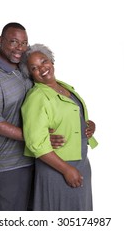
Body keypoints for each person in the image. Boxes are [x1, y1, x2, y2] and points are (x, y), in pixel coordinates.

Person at [0, 23, 64, 211]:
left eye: (24, 43)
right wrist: (36, 137)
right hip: (9, 166)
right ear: (1, 40)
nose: (20, 48)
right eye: (14, 42)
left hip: (37, 157)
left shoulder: (25, 68)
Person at [20, 44, 98, 211]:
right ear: (30, 74)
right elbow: (37, 144)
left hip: (81, 162)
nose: (42, 69)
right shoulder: (36, 98)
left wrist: (89, 125)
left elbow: (73, 115)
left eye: (44, 61)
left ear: (52, 62)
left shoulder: (65, 88)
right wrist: (66, 169)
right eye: (34, 68)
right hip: (58, 167)